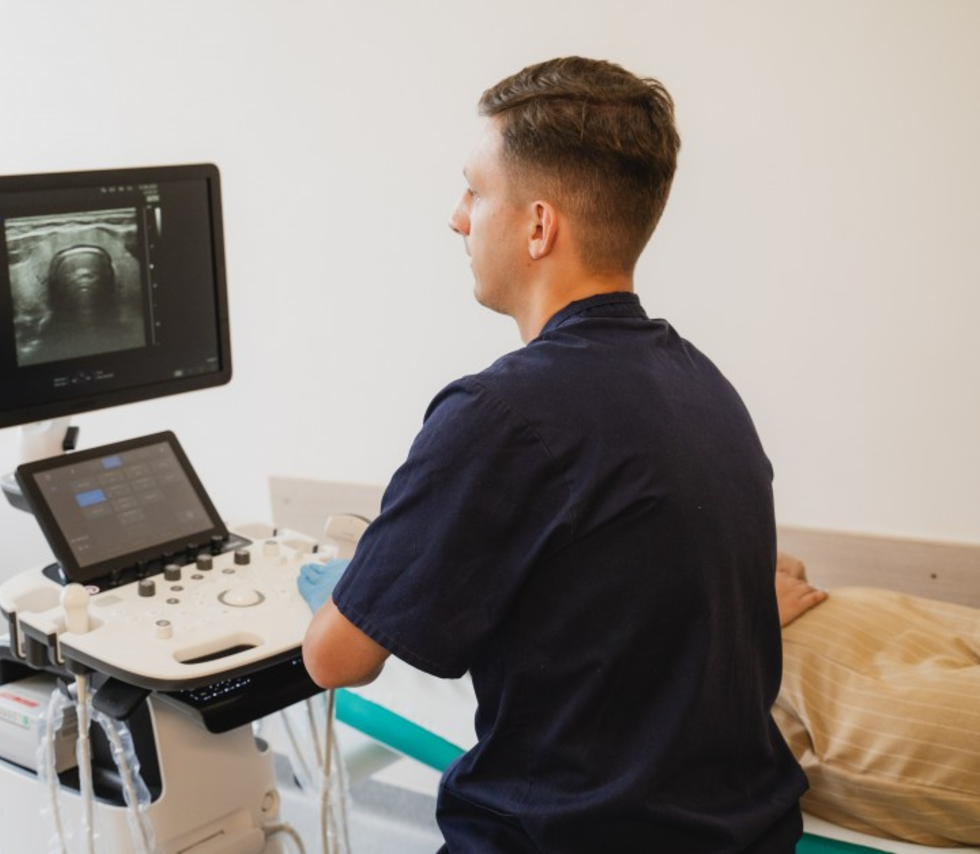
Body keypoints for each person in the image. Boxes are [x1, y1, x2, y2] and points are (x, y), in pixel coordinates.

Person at [298, 56, 808, 852]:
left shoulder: (499, 415)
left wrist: (348, 578)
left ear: (539, 226)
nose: (457, 218)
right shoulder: (703, 386)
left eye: (474, 191)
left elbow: (334, 660)